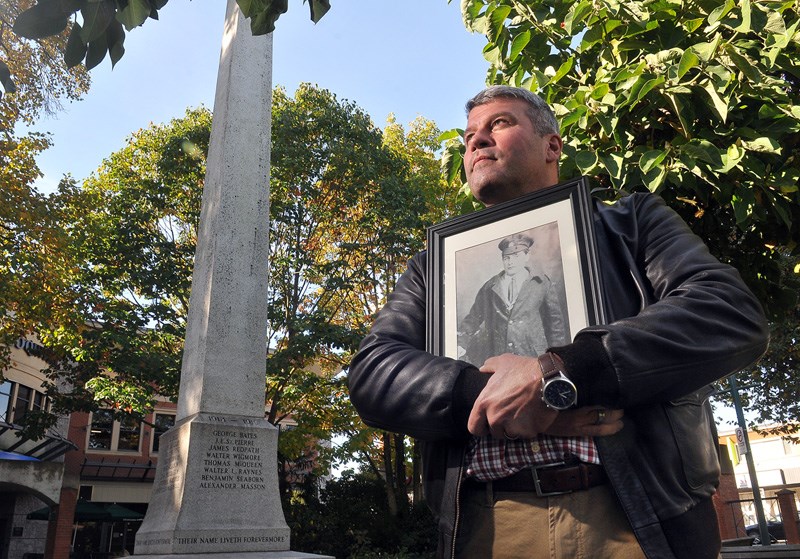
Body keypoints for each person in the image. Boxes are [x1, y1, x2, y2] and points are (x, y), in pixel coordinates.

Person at [348, 85, 769, 559]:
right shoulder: (435, 266)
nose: (476, 141)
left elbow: (729, 311)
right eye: (468, 136)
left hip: (633, 517)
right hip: (490, 525)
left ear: (553, 146)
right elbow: (374, 372)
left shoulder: (632, 222)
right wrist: (482, 395)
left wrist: (563, 373)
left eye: (499, 124)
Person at [458, 232, 567, 365]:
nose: (510, 262)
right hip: (499, 358)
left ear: (527, 256)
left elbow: (555, 324)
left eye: (516, 256)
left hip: (533, 357)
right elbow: (473, 318)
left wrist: (558, 356)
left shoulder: (542, 283)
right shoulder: (490, 286)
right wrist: (460, 344)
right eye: (506, 258)